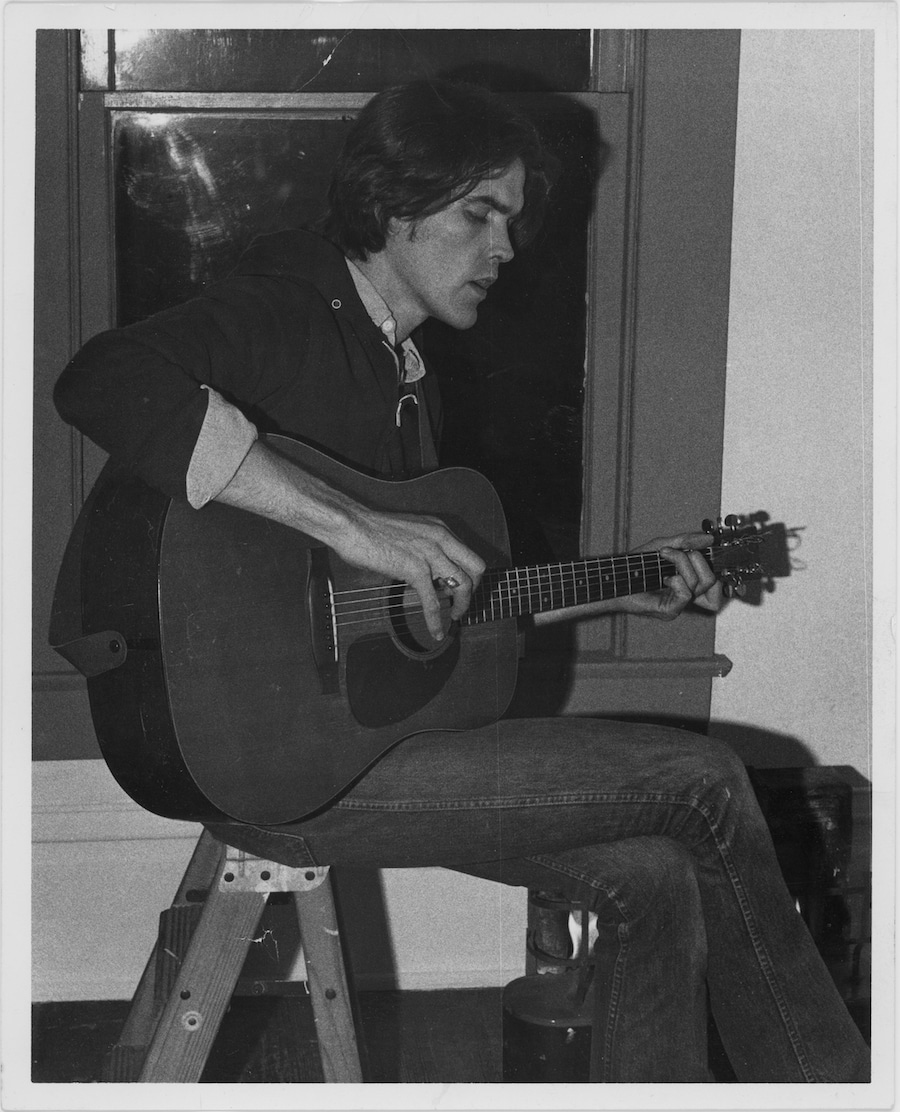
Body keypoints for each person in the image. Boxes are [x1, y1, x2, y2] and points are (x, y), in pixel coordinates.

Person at [53, 79, 869, 1084]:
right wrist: (357, 523)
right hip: (283, 774)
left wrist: (629, 583)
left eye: (513, 221)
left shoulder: (407, 378)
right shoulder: (283, 308)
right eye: (480, 213)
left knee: (660, 878)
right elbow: (101, 378)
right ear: (396, 207)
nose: (506, 249)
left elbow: (431, 600)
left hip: (354, 754)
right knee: (706, 780)